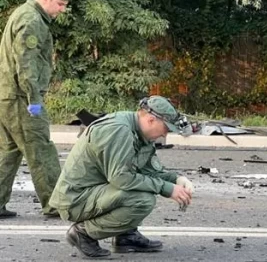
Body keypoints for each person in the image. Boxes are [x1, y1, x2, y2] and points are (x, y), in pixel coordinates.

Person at [49, 96, 194, 258]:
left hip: (95, 191)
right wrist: (166, 188)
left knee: (143, 186)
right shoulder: (119, 130)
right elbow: (121, 178)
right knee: (142, 200)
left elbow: (148, 171)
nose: (165, 134)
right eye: (166, 128)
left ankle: (126, 236)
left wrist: (176, 180)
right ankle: (83, 233)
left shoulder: (140, 132)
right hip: (75, 199)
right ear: (151, 120)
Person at [0, 0, 78, 218]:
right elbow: (26, 63)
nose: (63, 9)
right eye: (60, 3)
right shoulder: (32, 20)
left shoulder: (24, 14)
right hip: (22, 98)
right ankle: (56, 204)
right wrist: (34, 99)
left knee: (9, 151)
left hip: (8, 96)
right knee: (41, 150)